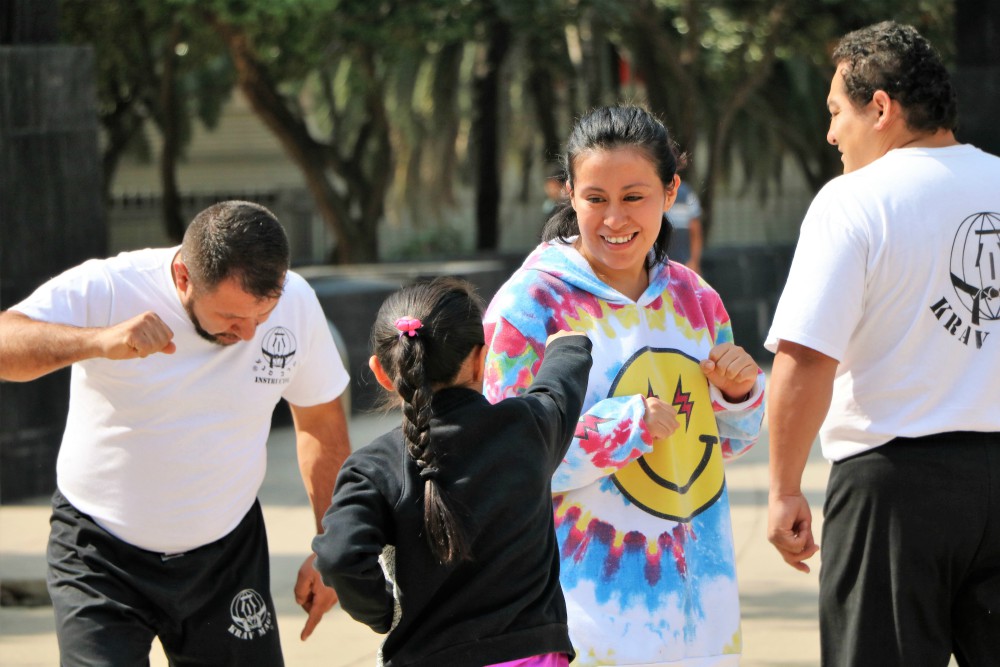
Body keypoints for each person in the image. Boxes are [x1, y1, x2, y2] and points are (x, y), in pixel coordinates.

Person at [0, 201, 351, 666]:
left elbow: (321, 426)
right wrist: (96, 342)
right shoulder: (112, 287)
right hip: (101, 555)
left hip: (225, 555)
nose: (248, 335)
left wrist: (332, 543)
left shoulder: (297, 303)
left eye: (261, 318)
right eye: (230, 319)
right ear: (184, 277)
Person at [483, 105, 766, 666]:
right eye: (595, 199)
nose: (615, 219)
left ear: (671, 192)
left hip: (701, 615)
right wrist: (621, 429)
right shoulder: (531, 307)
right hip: (579, 618)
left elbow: (720, 447)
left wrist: (739, 397)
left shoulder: (696, 299)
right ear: (570, 195)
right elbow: (504, 463)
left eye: (634, 197)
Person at [765, 21, 1000, 666]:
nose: (831, 132)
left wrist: (784, 488)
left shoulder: (854, 202)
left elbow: (805, 357)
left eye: (837, 111)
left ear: (880, 107)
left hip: (896, 492)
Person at [312, 277, 593, 667]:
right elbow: (559, 386)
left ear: (381, 371)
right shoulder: (528, 428)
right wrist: (569, 345)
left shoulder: (372, 467)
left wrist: (383, 612)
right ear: (482, 359)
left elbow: (339, 556)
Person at [667, 180, 704, 274]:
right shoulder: (653, 192)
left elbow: (696, 233)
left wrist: (694, 262)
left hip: (685, 265)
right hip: (659, 268)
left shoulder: (686, 193)